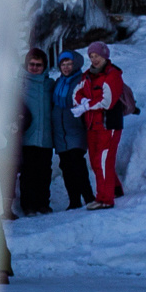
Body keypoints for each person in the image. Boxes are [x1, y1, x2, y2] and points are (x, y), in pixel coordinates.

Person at [69, 42, 132, 209]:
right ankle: (115, 189)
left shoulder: (113, 75)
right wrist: (82, 101)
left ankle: (105, 199)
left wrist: (86, 106)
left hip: (108, 125)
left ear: (105, 56)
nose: (94, 59)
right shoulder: (88, 75)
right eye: (91, 56)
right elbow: (77, 92)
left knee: (103, 161)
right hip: (92, 126)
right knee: (96, 162)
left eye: (97, 56)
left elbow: (107, 101)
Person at [15, 50, 55, 215]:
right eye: (32, 64)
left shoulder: (50, 85)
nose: (34, 67)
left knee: (45, 173)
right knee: (28, 174)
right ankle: (28, 205)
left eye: (38, 65)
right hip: (27, 137)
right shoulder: (19, 84)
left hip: (46, 138)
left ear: (44, 66)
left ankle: (43, 204)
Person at [52, 51, 93, 210]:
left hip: (76, 130)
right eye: (63, 64)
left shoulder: (82, 81)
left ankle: (89, 197)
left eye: (69, 64)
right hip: (60, 133)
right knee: (66, 167)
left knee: (77, 164)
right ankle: (74, 200)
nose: (66, 67)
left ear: (76, 64)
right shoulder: (58, 83)